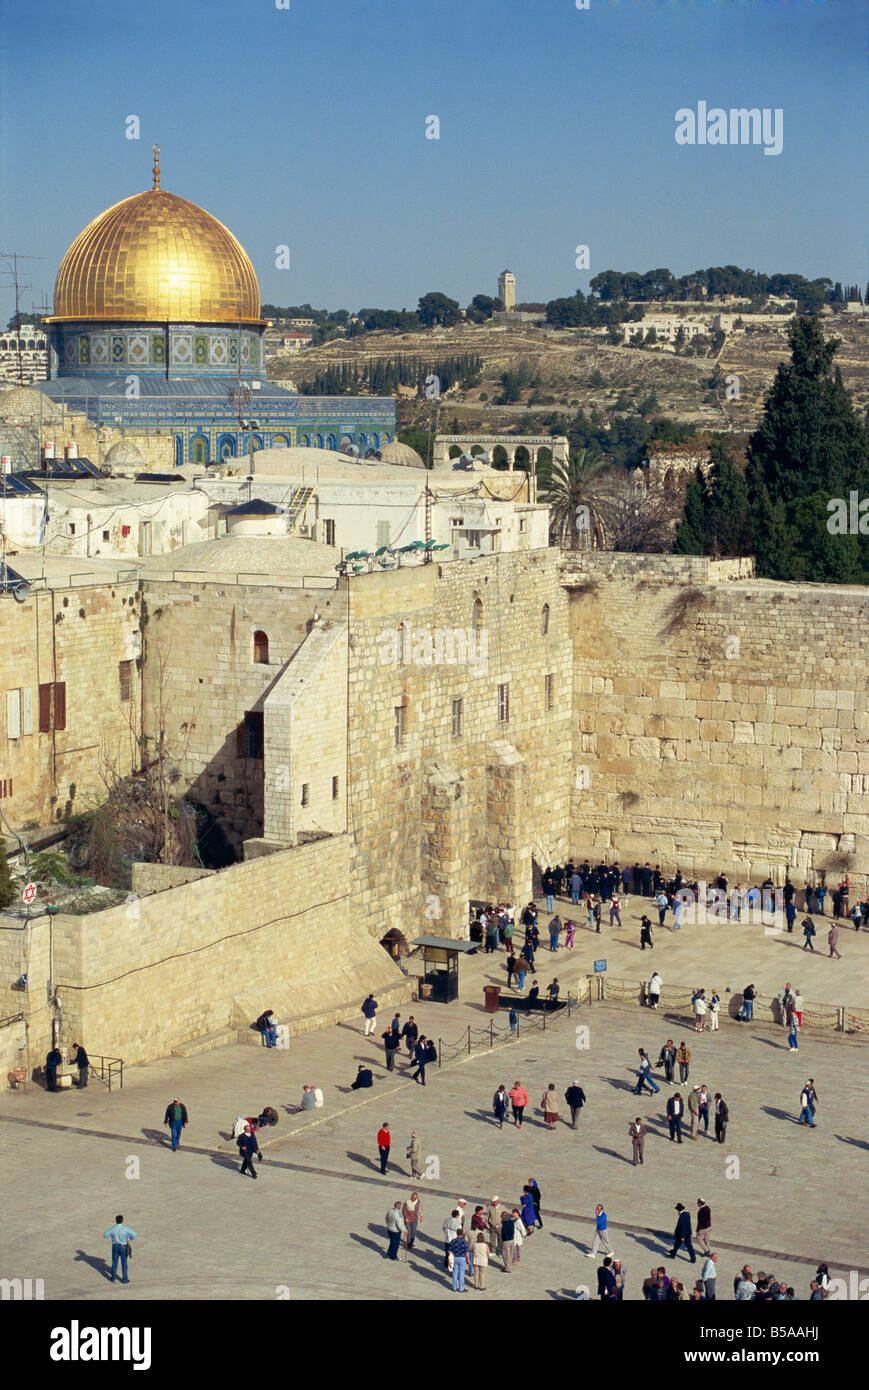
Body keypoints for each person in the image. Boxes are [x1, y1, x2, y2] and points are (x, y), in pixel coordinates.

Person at [103, 1214, 136, 1284]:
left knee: (114, 1262)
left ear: (116, 1221)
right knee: (124, 1263)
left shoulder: (113, 1228)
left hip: (115, 1246)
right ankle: (124, 1279)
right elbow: (134, 1234)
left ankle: (113, 1277)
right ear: (122, 1220)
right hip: (123, 1246)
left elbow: (105, 1235)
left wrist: (112, 1236)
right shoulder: (125, 1228)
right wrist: (129, 1239)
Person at [500, 1210, 517, 1274]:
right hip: (512, 1240)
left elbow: (504, 1233)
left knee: (505, 1255)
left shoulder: (505, 1224)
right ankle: (509, 1266)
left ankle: (508, 1268)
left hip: (506, 1241)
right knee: (510, 1254)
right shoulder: (511, 1222)